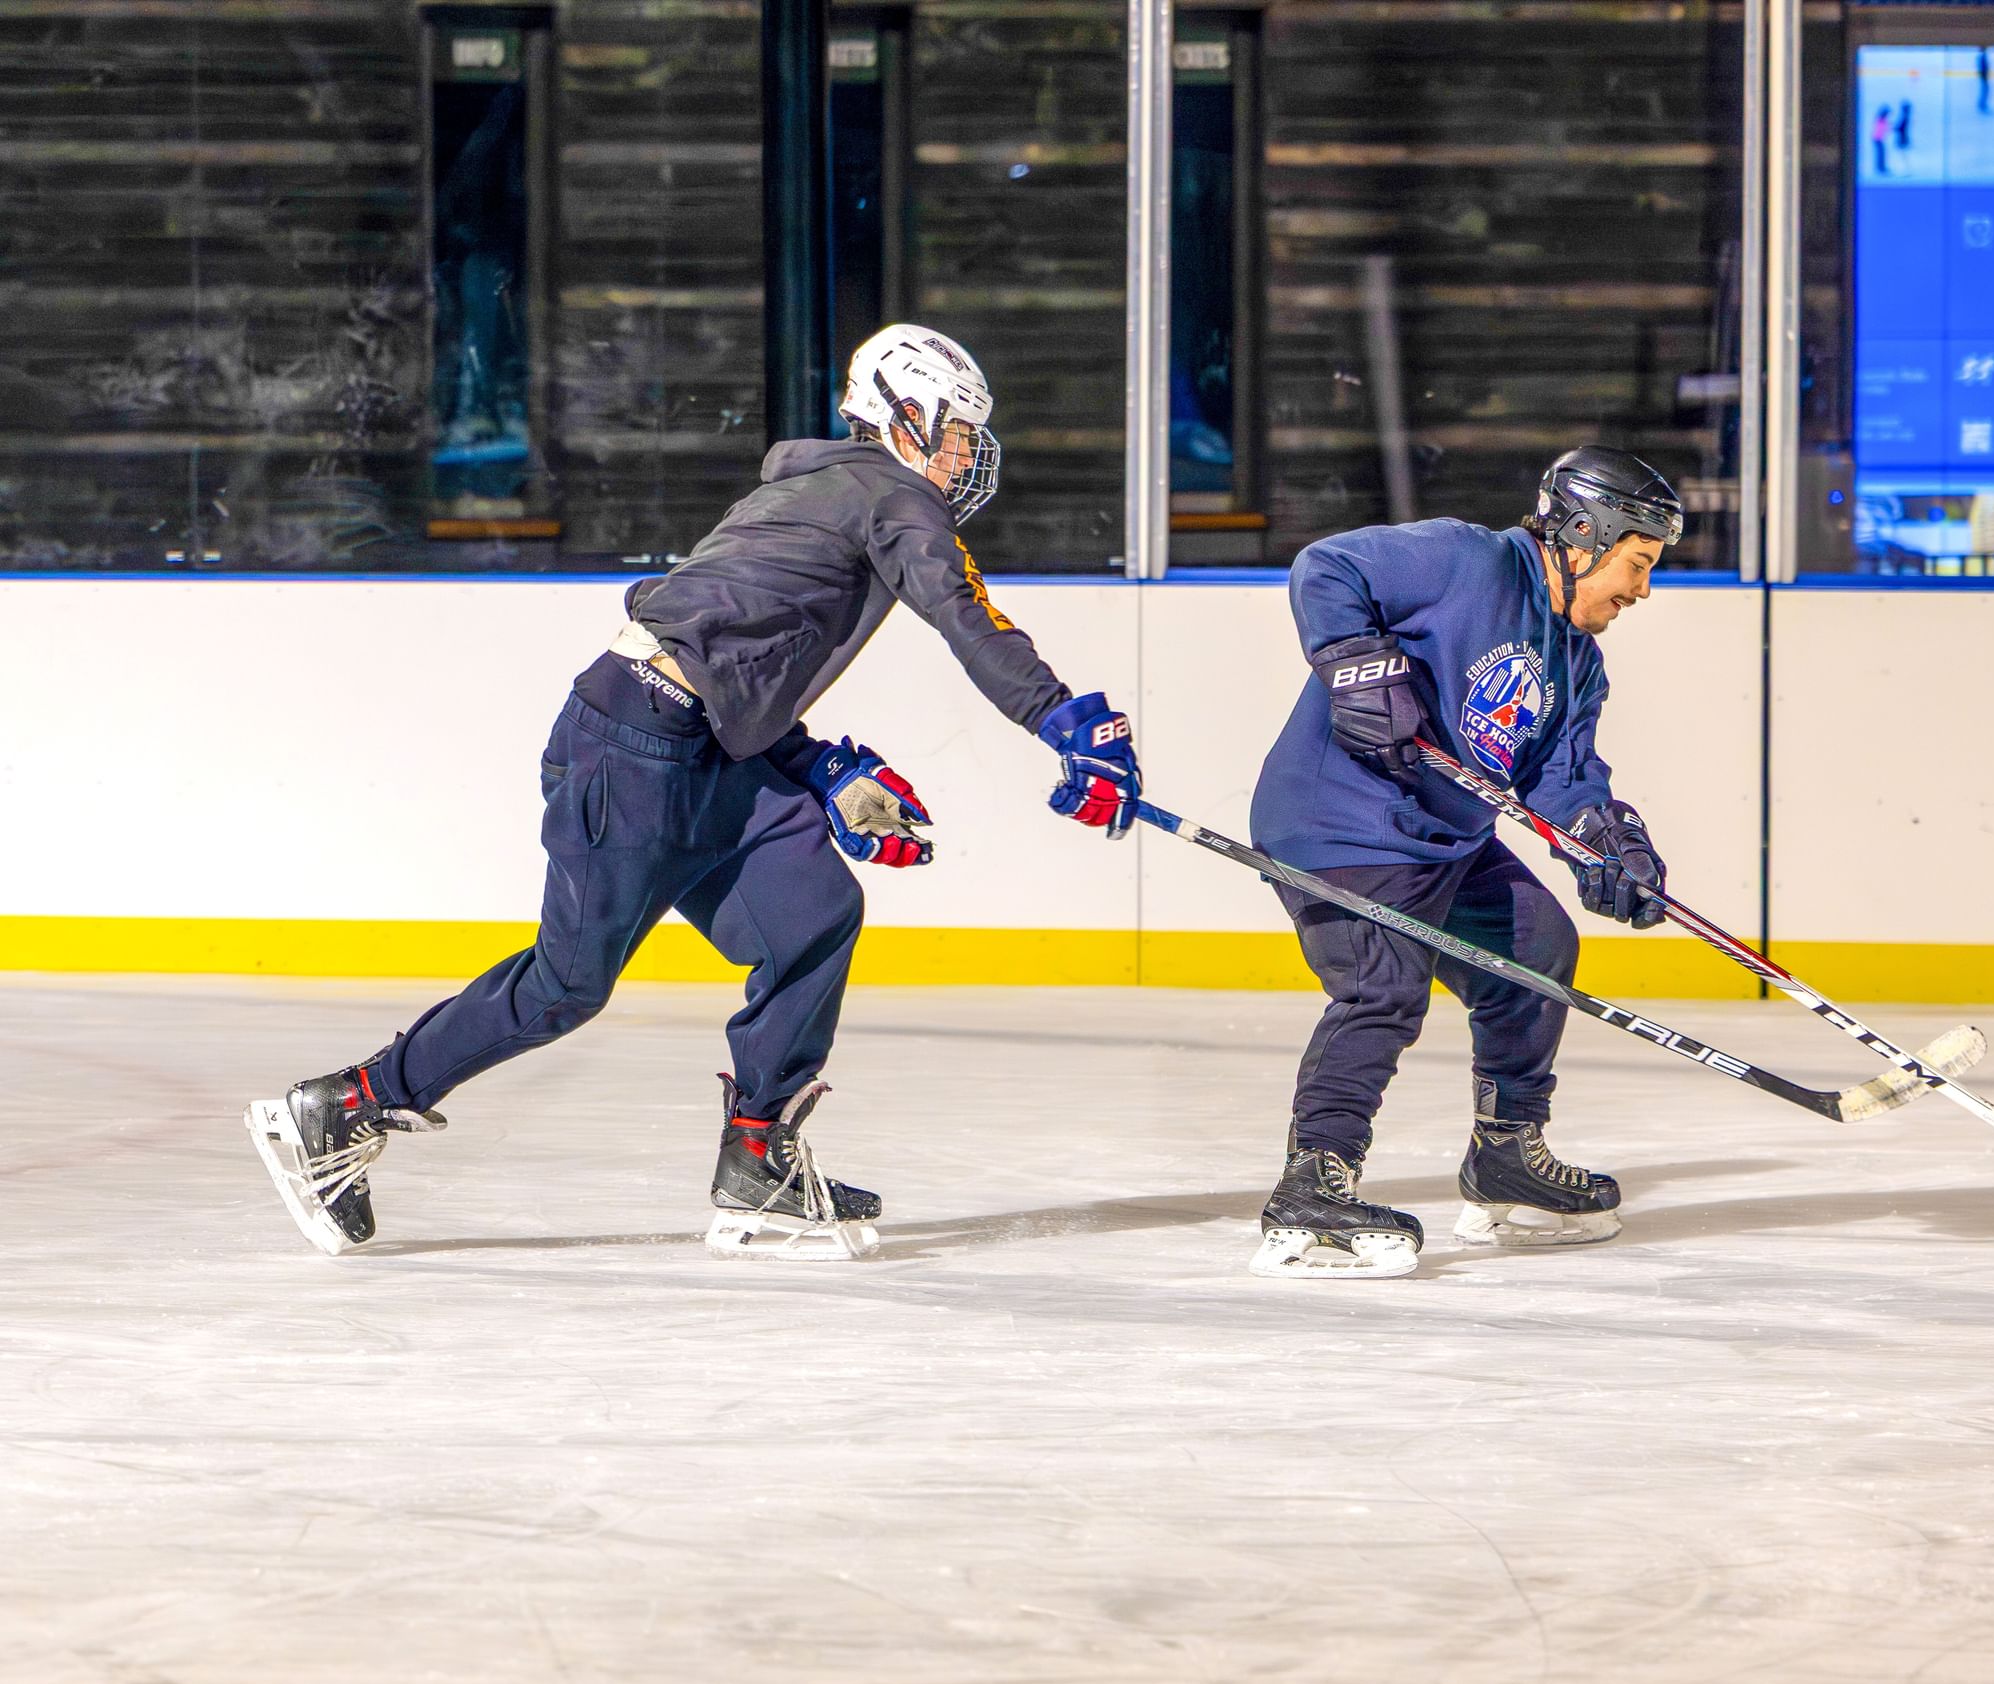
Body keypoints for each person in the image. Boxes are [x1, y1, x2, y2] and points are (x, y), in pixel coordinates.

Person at [246, 324, 1147, 1262]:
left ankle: (759, 1157)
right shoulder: (892, 495)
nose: (965, 453)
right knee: (567, 986)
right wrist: (1059, 721)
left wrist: (816, 764)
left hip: (698, 748)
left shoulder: (812, 488)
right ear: (904, 414)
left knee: (814, 913)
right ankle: (345, 1106)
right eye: (957, 430)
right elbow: (966, 615)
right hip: (631, 749)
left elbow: (732, 661)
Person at [1242, 447, 1684, 1278]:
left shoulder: (1577, 664)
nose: (1642, 589)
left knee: (1538, 948)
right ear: (1584, 536)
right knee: (1384, 983)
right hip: (1337, 824)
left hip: (1445, 839)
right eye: (1638, 562)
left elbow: (1563, 775)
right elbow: (1325, 566)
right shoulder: (1467, 559)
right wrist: (1355, 665)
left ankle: (1506, 1152)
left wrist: (1607, 838)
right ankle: (1314, 1181)